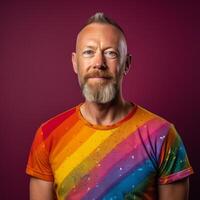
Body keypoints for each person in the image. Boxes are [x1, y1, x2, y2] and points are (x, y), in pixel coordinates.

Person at [26, 12, 194, 200]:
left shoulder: (163, 135)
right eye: (89, 52)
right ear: (75, 63)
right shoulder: (48, 135)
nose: (99, 63)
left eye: (110, 53)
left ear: (127, 64)